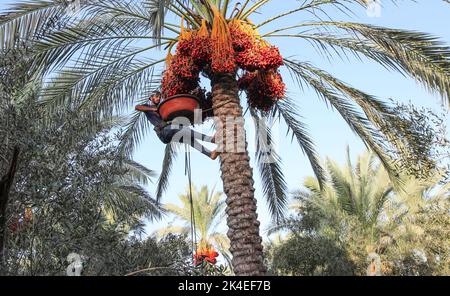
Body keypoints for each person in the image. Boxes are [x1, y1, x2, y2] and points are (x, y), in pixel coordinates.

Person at [135, 92, 219, 160]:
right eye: (156, 96)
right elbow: (137, 107)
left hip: (169, 131)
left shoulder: (162, 109)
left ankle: (210, 154)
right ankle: (211, 139)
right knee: (183, 129)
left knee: (189, 140)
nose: (158, 98)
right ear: (151, 98)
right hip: (163, 132)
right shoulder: (148, 107)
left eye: (159, 97)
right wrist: (153, 109)